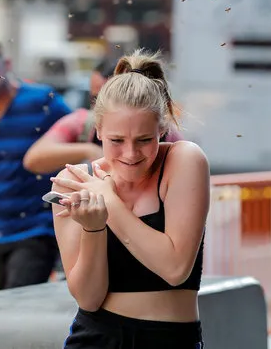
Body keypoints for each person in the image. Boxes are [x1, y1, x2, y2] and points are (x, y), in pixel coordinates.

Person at [48, 49, 209, 348]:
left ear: (162, 130)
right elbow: (89, 298)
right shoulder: (75, 182)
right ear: (98, 131)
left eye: (145, 140)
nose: (131, 154)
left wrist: (109, 200)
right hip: (96, 337)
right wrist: (94, 229)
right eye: (117, 141)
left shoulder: (184, 159)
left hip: (170, 339)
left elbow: (175, 269)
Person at [0, 36, 72, 290]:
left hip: (35, 228)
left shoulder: (41, 99)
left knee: (19, 306)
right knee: (5, 310)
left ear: (5, 63)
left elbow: (80, 130)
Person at [23, 59, 184, 175]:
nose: (130, 153)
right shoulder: (83, 122)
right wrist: (89, 150)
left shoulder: (170, 138)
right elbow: (34, 159)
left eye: (144, 139)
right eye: (95, 98)